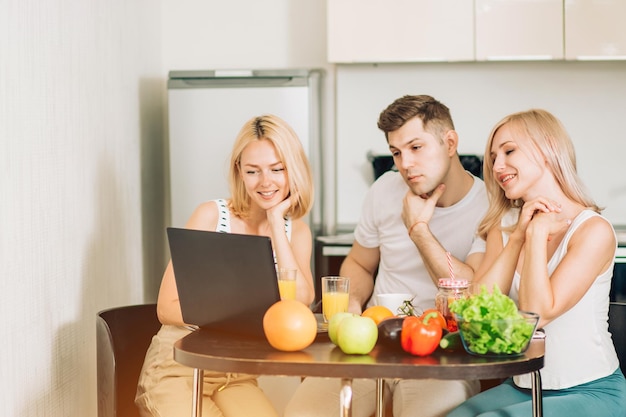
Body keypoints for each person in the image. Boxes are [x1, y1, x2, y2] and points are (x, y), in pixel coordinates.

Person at [284, 95, 489, 417]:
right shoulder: (384, 190)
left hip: (444, 356)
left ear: (450, 143)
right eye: (396, 152)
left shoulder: (489, 206)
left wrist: (419, 229)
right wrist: (353, 300)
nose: (404, 164)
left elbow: (467, 290)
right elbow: (360, 263)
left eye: (416, 147)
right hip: (371, 345)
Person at [447, 109, 626, 417]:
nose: (497, 165)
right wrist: (517, 237)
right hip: (522, 385)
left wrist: (537, 231)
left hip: (592, 390)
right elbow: (476, 308)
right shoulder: (504, 226)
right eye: (493, 157)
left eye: (509, 150)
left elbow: (538, 314)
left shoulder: (593, 230)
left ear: (547, 149)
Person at [135, 114, 316, 417]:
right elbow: (166, 308)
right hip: (179, 367)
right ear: (240, 173)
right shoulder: (210, 216)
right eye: (253, 171)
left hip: (236, 375)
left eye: (277, 169)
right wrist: (246, 316)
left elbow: (299, 302)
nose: (266, 182)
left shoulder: (295, 231)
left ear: (293, 170)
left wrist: (274, 222)